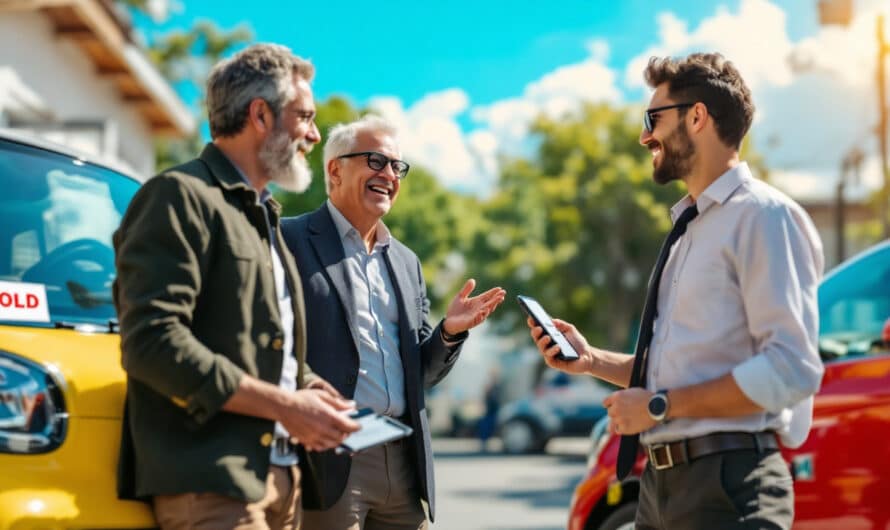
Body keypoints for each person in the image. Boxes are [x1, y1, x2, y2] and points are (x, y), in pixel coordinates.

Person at [527, 52, 824, 529]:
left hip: (730, 486)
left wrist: (659, 406)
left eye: (653, 118)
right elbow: (677, 374)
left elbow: (791, 369)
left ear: (698, 116)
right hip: (660, 489)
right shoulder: (689, 230)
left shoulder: (765, 217)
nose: (645, 135)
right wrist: (590, 361)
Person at [113, 43, 359, 530]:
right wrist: (287, 404)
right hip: (213, 485)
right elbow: (152, 343)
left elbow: (250, 338)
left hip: (281, 481)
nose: (313, 134)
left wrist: (305, 384)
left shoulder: (263, 215)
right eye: (305, 117)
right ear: (261, 115)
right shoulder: (178, 196)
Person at [280, 115, 506, 529]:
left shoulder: (406, 261)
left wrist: (450, 331)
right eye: (376, 161)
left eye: (397, 167)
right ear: (335, 169)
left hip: (402, 457)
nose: (389, 174)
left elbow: (420, 372)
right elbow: (274, 346)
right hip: (329, 457)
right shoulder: (288, 240)